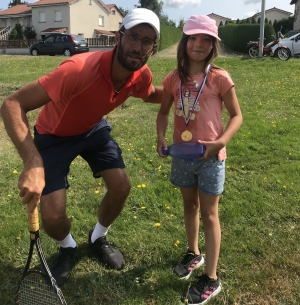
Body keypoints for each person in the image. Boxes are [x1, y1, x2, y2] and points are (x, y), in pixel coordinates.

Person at [1, 8, 162, 287]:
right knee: (52, 217)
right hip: (54, 135)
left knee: (122, 186)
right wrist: (33, 163)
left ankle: (98, 238)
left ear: (153, 49)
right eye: (133, 36)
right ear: (118, 37)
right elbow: (12, 104)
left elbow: (150, 94)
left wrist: (188, 90)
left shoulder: (141, 75)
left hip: (93, 129)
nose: (138, 47)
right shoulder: (77, 69)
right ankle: (67, 247)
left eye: (147, 41)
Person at [156, 15, 242, 305]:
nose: (198, 44)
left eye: (206, 39)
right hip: (182, 156)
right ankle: (193, 252)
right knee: (189, 205)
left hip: (211, 157)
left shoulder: (219, 78)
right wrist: (160, 136)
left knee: (209, 214)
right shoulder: (172, 78)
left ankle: (211, 277)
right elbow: (164, 113)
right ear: (184, 41)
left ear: (213, 45)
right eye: (193, 38)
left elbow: (237, 116)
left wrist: (220, 141)